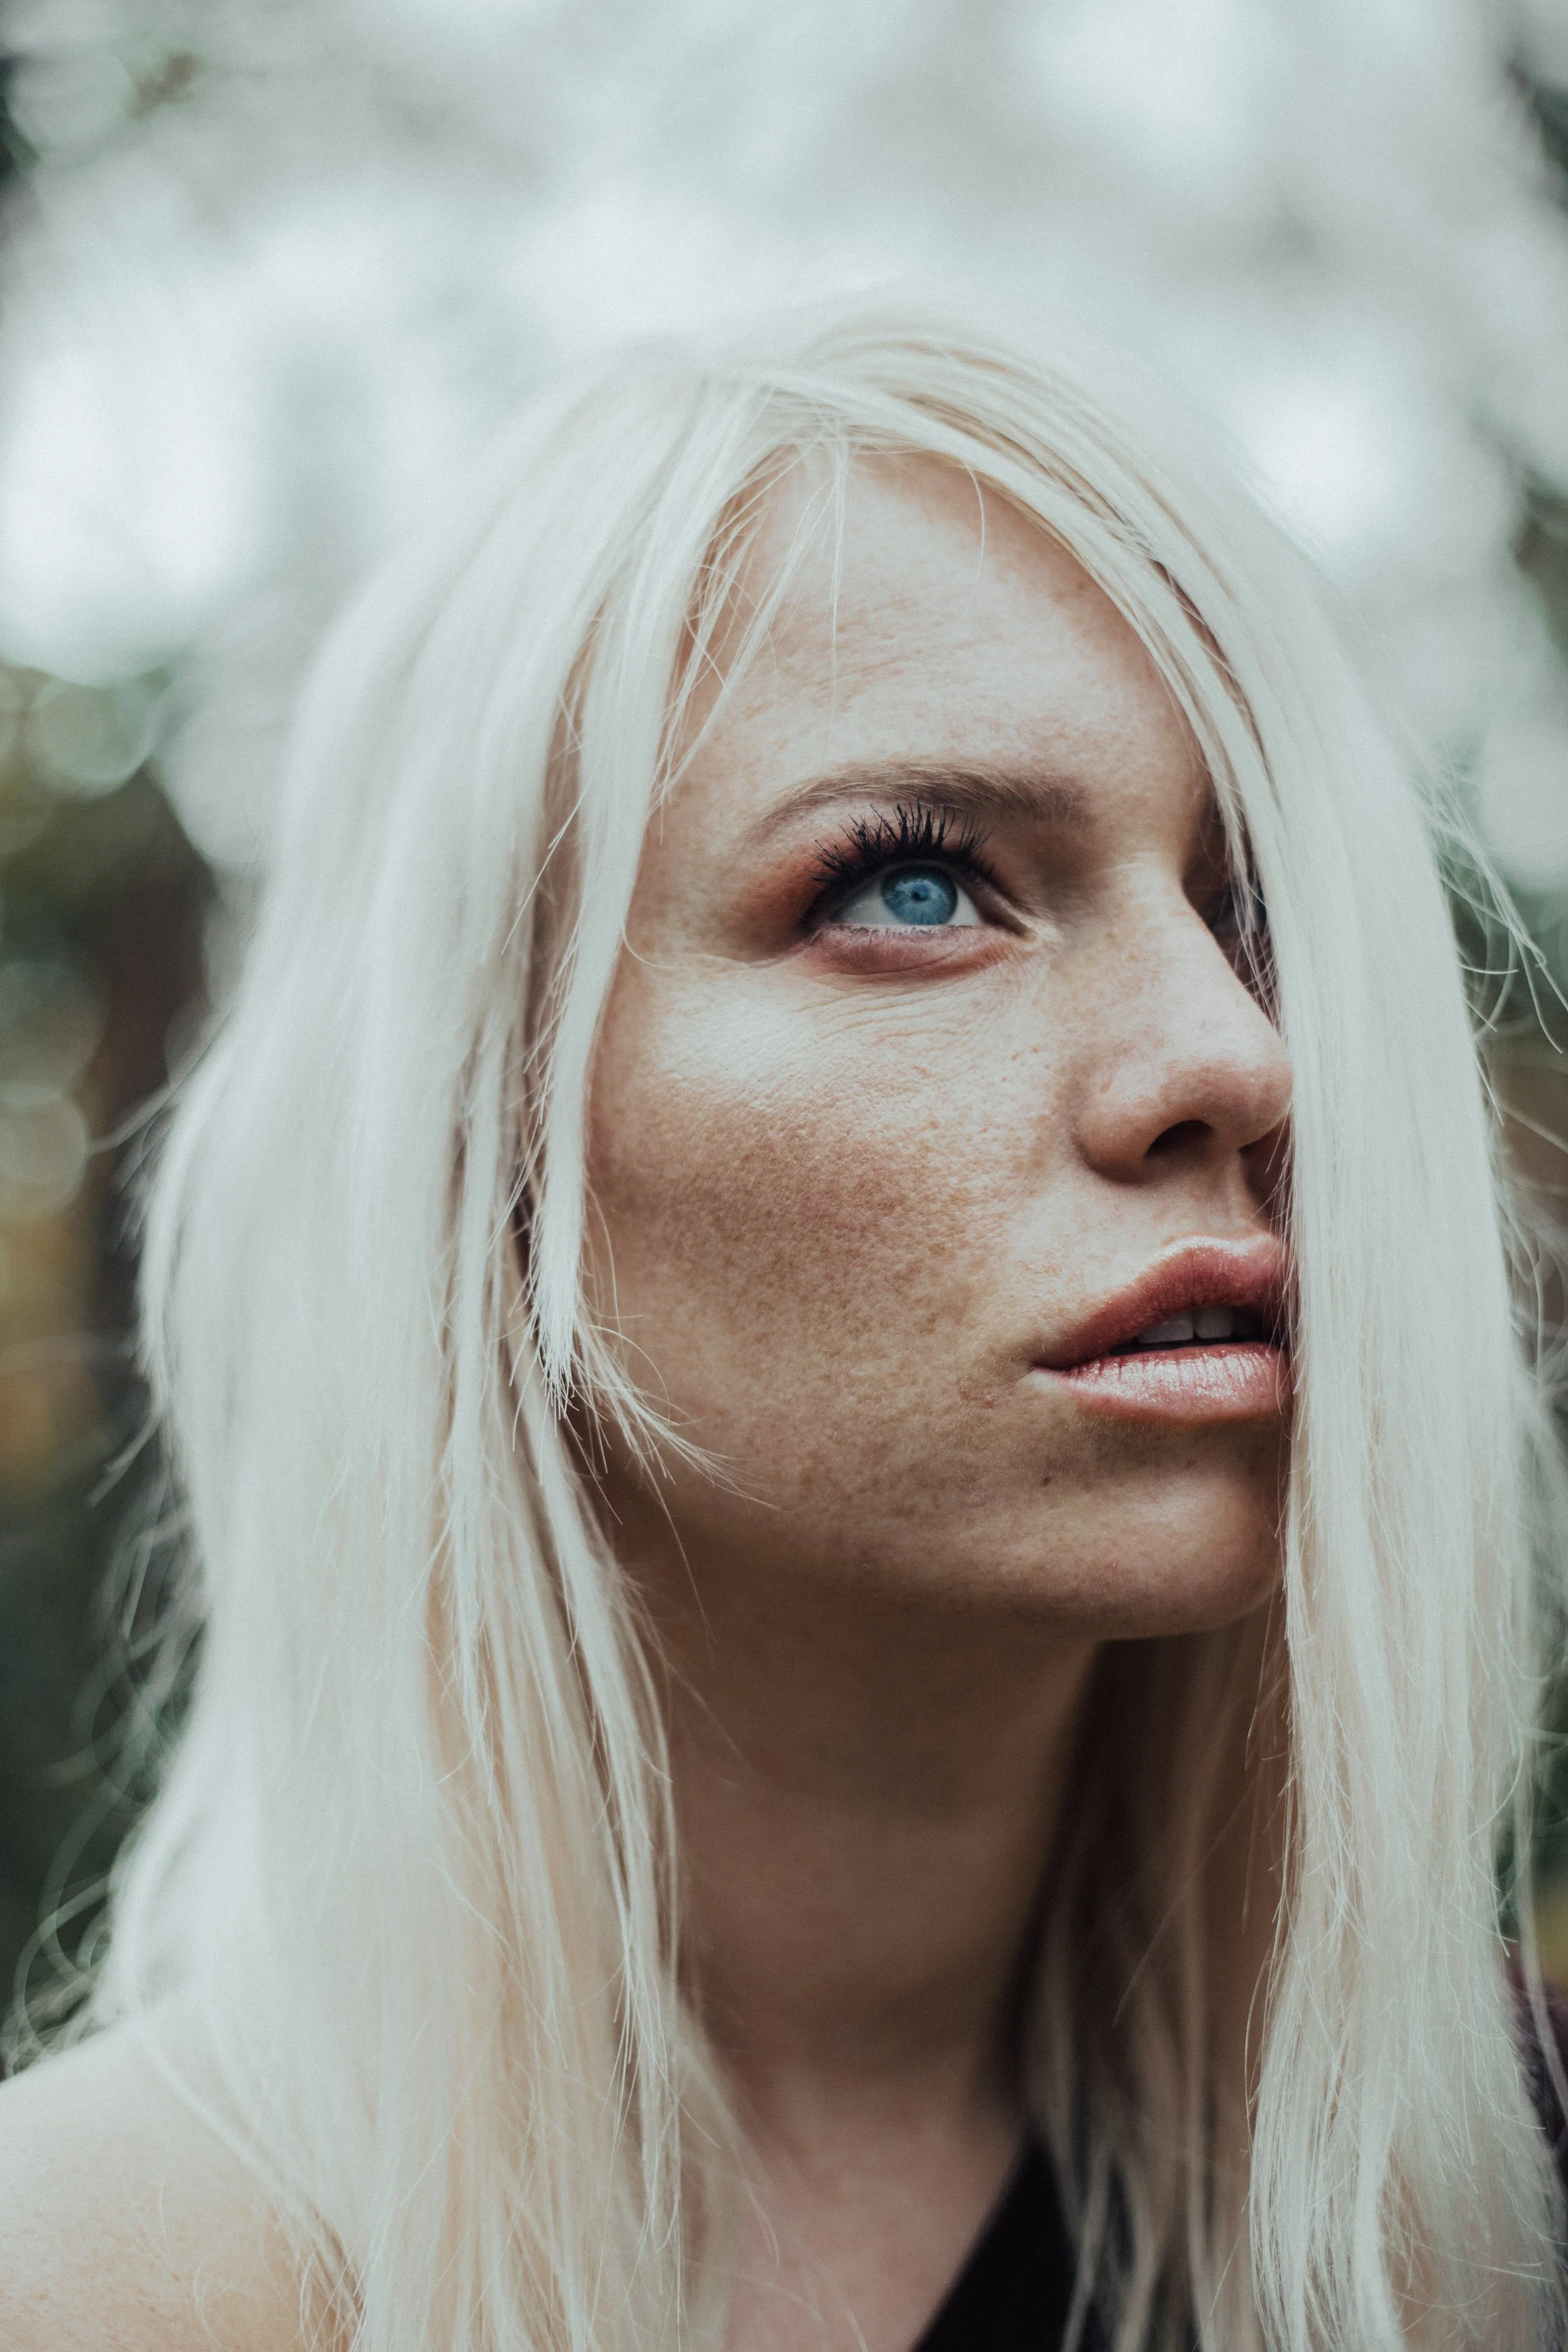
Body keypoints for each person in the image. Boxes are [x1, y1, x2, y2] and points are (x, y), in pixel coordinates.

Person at [0, 300, 1563, 2352]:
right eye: (914, 887)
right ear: (486, 1143)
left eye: (1250, 905)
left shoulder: (1500, 2228)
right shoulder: (96, 2288)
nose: (1228, 1055)